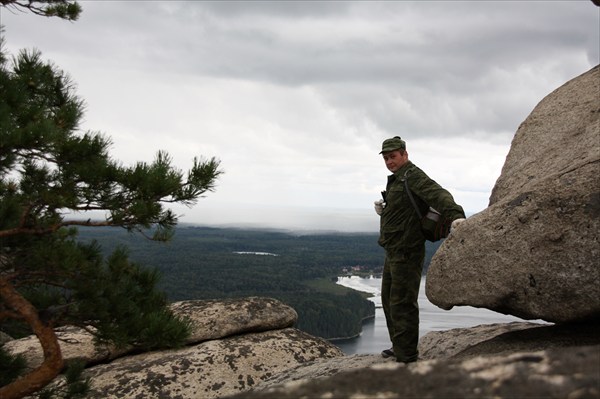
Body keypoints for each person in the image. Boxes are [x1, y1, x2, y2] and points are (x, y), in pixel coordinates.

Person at [374, 136, 466, 363]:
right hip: (394, 250)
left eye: (393, 156)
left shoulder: (412, 175)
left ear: (405, 154)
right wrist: (384, 210)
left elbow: (439, 194)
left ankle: (406, 355)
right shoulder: (398, 179)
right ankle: (399, 345)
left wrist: (456, 217)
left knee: (403, 302)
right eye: (386, 158)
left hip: (407, 251)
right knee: (388, 299)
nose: (389, 161)